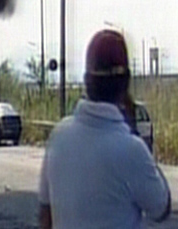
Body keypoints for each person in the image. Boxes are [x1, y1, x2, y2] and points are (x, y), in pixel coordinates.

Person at [39, 30, 171, 229]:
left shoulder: (59, 137)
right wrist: (134, 131)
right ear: (126, 83)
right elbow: (161, 209)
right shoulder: (131, 150)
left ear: (86, 81)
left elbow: (45, 217)